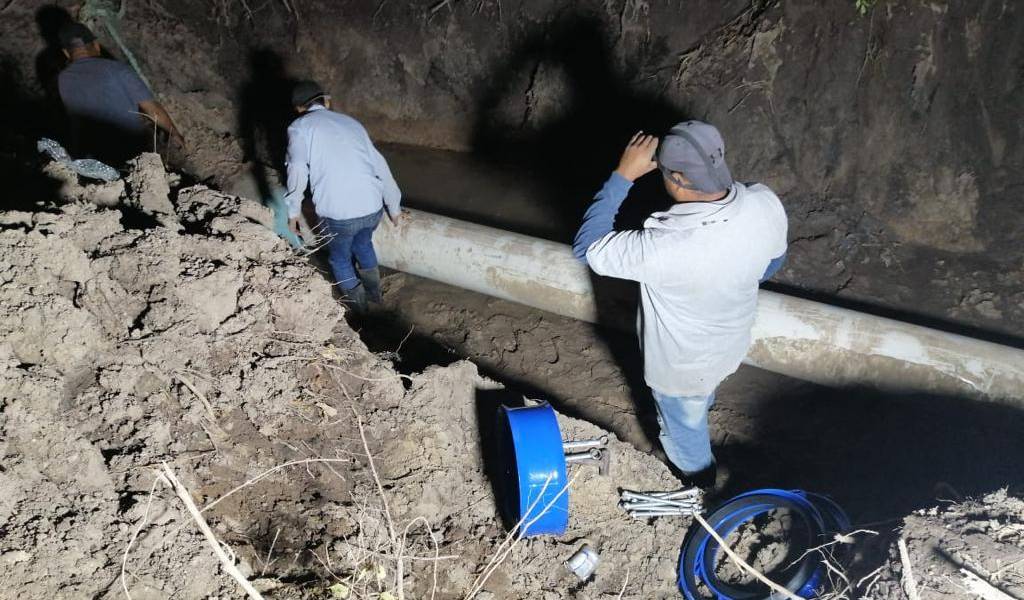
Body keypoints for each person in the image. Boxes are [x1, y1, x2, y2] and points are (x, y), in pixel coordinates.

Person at [572, 121, 788, 490]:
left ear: (677, 178)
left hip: (680, 370)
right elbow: (773, 262)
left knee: (683, 432)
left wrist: (624, 175)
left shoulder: (664, 246)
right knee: (702, 394)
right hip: (729, 343)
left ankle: (701, 480)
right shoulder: (764, 202)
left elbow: (587, 247)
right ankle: (702, 411)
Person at [284, 80, 403, 312]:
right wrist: (394, 207)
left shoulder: (299, 127)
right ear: (326, 102)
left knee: (339, 259)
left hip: (339, 213)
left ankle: (362, 312)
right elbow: (380, 165)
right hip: (372, 208)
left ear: (298, 108)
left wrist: (293, 211)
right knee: (364, 245)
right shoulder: (351, 123)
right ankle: (375, 296)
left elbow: (297, 167)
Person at [56, 22, 184, 165]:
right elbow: (152, 109)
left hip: (91, 158)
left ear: (66, 52)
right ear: (96, 45)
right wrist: (174, 133)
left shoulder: (63, 79)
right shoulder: (118, 69)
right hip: (130, 152)